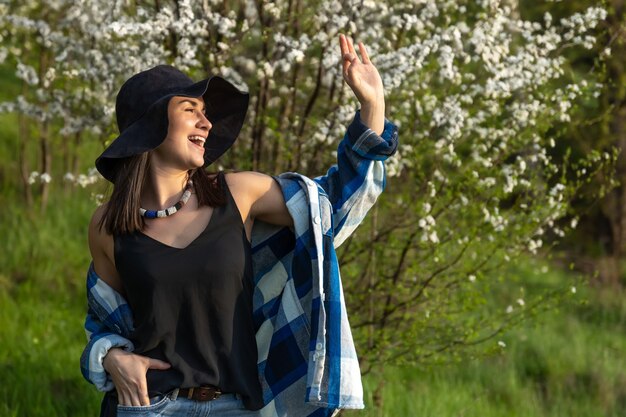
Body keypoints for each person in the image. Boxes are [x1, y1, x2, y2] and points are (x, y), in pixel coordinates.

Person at [81, 34, 399, 417]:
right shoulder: (108, 224)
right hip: (148, 407)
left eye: (205, 111)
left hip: (236, 406)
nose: (206, 122)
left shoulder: (238, 193)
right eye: (190, 109)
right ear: (150, 125)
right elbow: (103, 320)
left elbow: (329, 206)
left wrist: (372, 105)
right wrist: (112, 356)